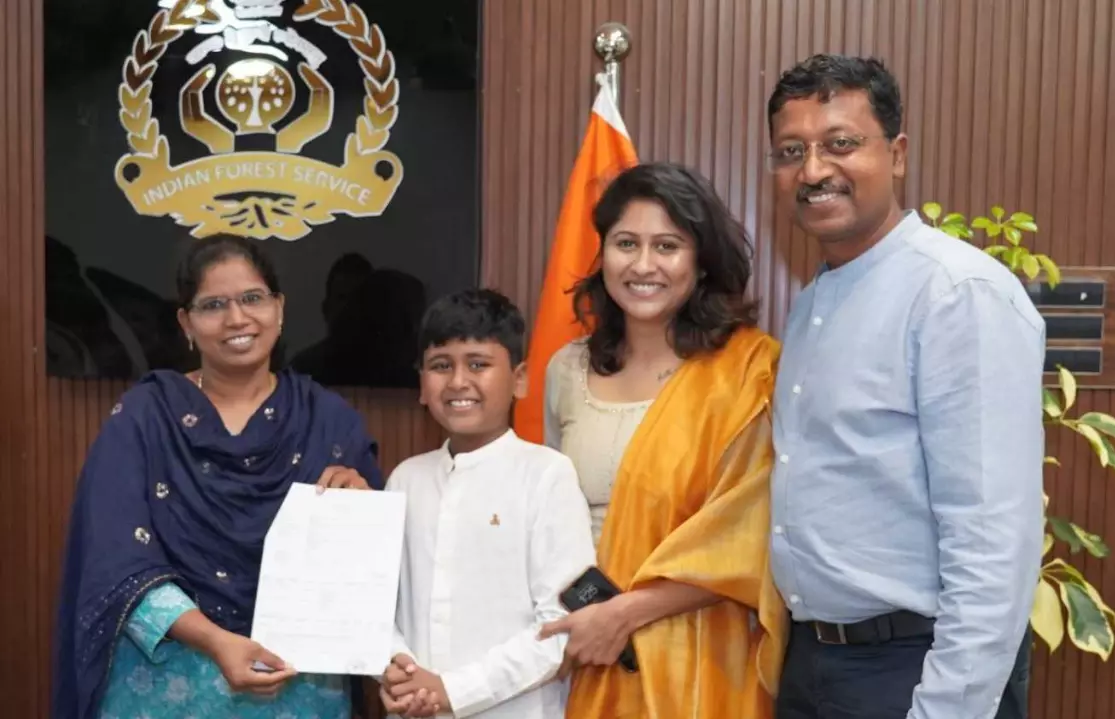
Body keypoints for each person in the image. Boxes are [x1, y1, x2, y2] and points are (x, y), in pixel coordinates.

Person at [764, 53, 1045, 719]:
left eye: (840, 143)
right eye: (791, 151)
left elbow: (991, 540)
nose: (813, 170)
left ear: (896, 154)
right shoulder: (815, 302)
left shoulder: (955, 294)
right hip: (814, 663)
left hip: (915, 669)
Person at [53, 234, 383, 719]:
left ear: (279, 308)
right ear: (186, 322)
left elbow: (365, 577)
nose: (237, 318)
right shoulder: (145, 417)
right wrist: (213, 640)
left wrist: (360, 505)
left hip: (296, 685)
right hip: (165, 686)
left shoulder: (328, 421)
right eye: (213, 305)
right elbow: (115, 559)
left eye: (252, 298)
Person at [538, 162, 787, 719]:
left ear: (701, 262)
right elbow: (548, 515)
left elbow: (750, 535)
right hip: (584, 652)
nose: (643, 265)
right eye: (626, 243)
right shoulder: (567, 370)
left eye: (667, 246)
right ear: (603, 253)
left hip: (702, 657)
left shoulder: (751, 372)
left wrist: (626, 613)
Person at [378, 289, 595, 718]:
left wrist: (452, 690)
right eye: (441, 366)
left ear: (519, 379)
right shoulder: (405, 479)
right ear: (422, 384)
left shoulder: (546, 475)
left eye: (478, 364)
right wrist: (399, 673)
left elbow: (561, 625)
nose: (458, 381)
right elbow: (380, 607)